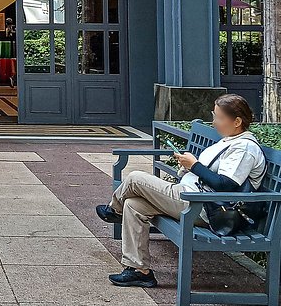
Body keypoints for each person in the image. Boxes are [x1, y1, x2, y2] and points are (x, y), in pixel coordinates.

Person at [95, 93, 265, 289]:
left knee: (134, 178)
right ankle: (139, 271)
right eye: (214, 115)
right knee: (134, 205)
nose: (214, 122)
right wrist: (189, 166)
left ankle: (113, 210)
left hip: (202, 207)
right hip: (190, 196)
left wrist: (194, 166)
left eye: (219, 117)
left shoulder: (244, 148)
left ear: (237, 121)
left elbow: (225, 185)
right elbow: (209, 173)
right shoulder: (230, 141)